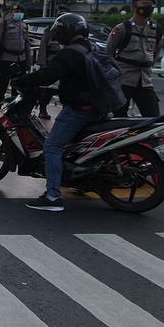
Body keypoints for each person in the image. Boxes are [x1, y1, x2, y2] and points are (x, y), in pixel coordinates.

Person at [17, 13, 108, 212]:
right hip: (98, 107)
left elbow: (49, 74)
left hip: (79, 110)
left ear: (67, 31)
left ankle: (52, 197)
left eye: (59, 32)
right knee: (73, 146)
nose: (57, 36)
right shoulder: (89, 48)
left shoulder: (70, 53)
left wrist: (25, 80)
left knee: (52, 147)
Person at [106, 0, 161, 117]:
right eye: (145, 4)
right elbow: (109, 53)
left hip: (145, 81)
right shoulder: (122, 29)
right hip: (124, 80)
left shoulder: (155, 30)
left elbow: (155, 52)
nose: (148, 7)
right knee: (118, 117)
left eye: (151, 4)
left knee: (153, 117)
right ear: (135, 6)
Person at [0, 4, 33, 114]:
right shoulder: (3, 24)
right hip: (6, 60)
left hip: (20, 60)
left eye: (20, 11)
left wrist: (29, 60)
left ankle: (15, 110)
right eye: (16, 10)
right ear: (12, 12)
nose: (18, 13)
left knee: (19, 86)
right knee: (1, 86)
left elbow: (27, 44)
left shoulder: (24, 26)